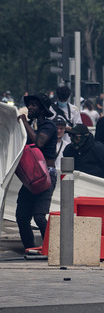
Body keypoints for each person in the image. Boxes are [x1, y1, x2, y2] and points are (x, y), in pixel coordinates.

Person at [15, 93, 58, 252]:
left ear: (42, 109)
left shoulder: (49, 126)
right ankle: (31, 249)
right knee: (21, 216)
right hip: (30, 176)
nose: (30, 107)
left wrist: (25, 122)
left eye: (34, 105)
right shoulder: (33, 125)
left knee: (39, 216)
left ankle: (51, 250)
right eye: (29, 105)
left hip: (45, 175)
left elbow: (39, 143)